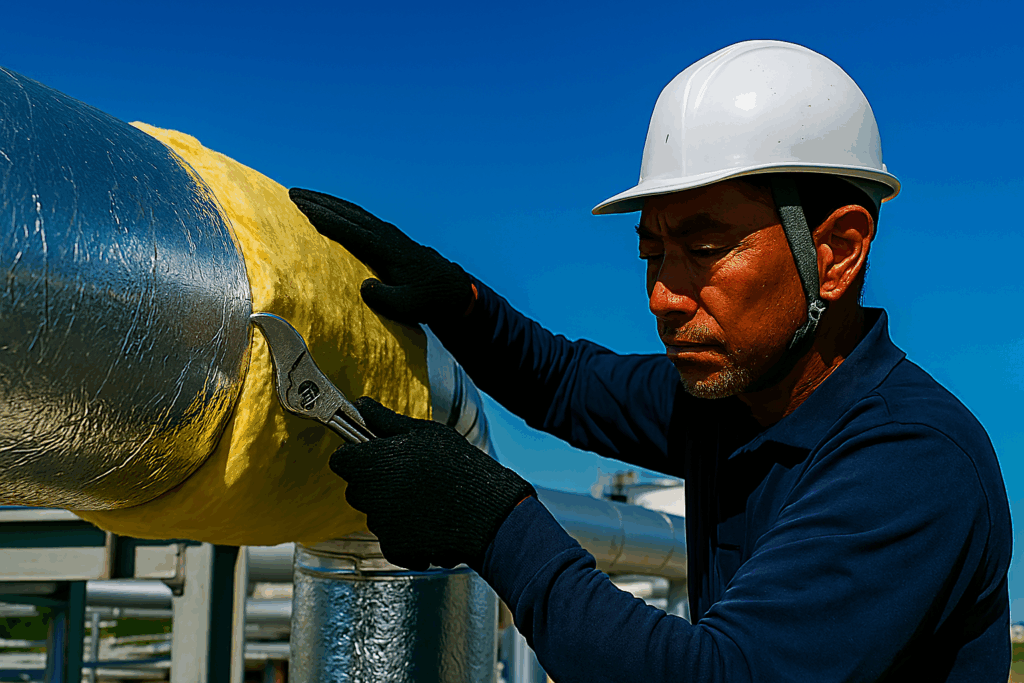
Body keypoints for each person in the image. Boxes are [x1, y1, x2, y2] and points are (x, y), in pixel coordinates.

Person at [290, 40, 1011, 682]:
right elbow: (564, 383)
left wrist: (493, 521)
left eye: (704, 249)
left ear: (837, 252)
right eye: (651, 252)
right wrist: (459, 301)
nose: (664, 294)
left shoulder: (914, 460)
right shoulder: (732, 403)